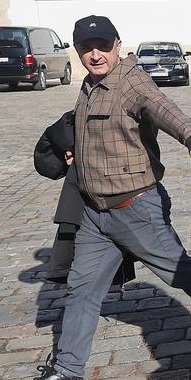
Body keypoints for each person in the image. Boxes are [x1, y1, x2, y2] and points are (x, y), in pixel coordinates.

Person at [10, 15, 191, 380]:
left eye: (103, 45)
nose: (96, 54)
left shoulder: (131, 81)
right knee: (81, 289)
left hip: (135, 206)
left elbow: (164, 109)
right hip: (94, 212)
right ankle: (67, 370)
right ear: (78, 50)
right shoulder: (89, 85)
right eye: (87, 48)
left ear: (118, 44)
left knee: (179, 272)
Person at [32, 109, 134, 287]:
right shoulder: (88, 104)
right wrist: (73, 146)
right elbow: (56, 138)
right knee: (82, 281)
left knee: (171, 262)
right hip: (90, 198)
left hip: (124, 195)